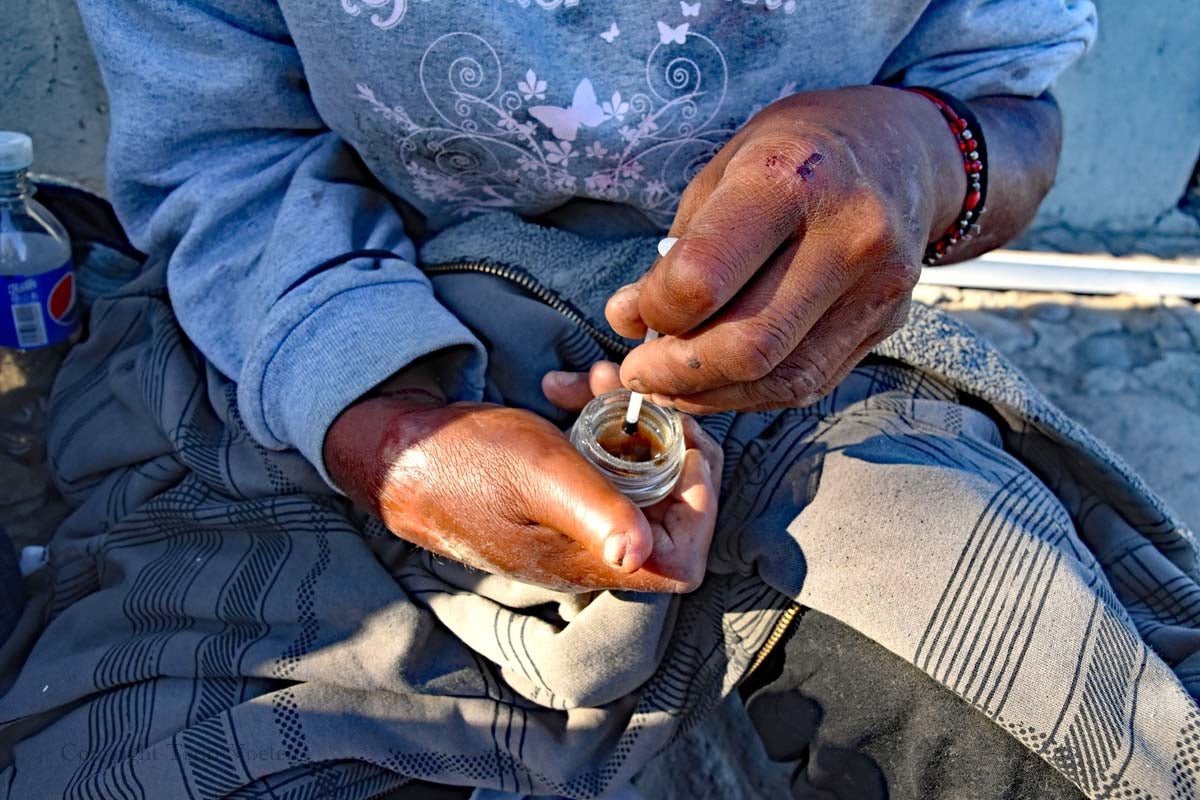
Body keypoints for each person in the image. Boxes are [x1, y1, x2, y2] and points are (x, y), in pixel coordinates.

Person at [2, 1, 1199, 798]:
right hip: (299, 334)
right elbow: (225, 154)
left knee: (1068, 716)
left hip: (817, 375)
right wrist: (383, 423)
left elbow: (1006, 111)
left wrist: (925, 153)